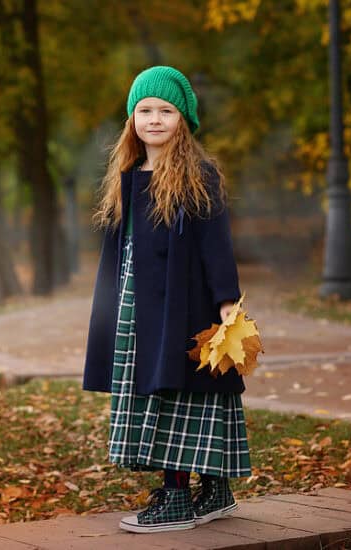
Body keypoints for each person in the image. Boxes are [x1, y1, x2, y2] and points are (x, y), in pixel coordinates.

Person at [82, 65, 251, 534]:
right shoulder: (128, 173)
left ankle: (181, 498)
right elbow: (122, 247)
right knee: (157, 387)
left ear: (184, 119)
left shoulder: (199, 174)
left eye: (166, 111)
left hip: (185, 300)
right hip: (140, 300)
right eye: (145, 110)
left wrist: (225, 302)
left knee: (183, 390)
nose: (154, 119)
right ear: (132, 118)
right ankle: (215, 491)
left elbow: (215, 242)